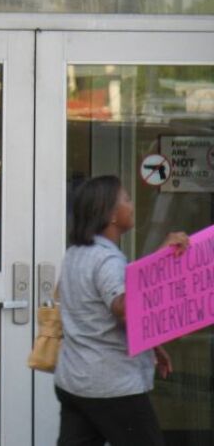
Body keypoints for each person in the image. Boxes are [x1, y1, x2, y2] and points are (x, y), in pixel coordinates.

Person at [54, 175, 188, 446]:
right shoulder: (107, 259)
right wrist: (160, 256)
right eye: (126, 199)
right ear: (111, 214)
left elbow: (95, 316)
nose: (132, 205)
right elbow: (125, 308)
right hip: (111, 386)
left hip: (74, 381)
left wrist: (150, 344)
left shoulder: (75, 254)